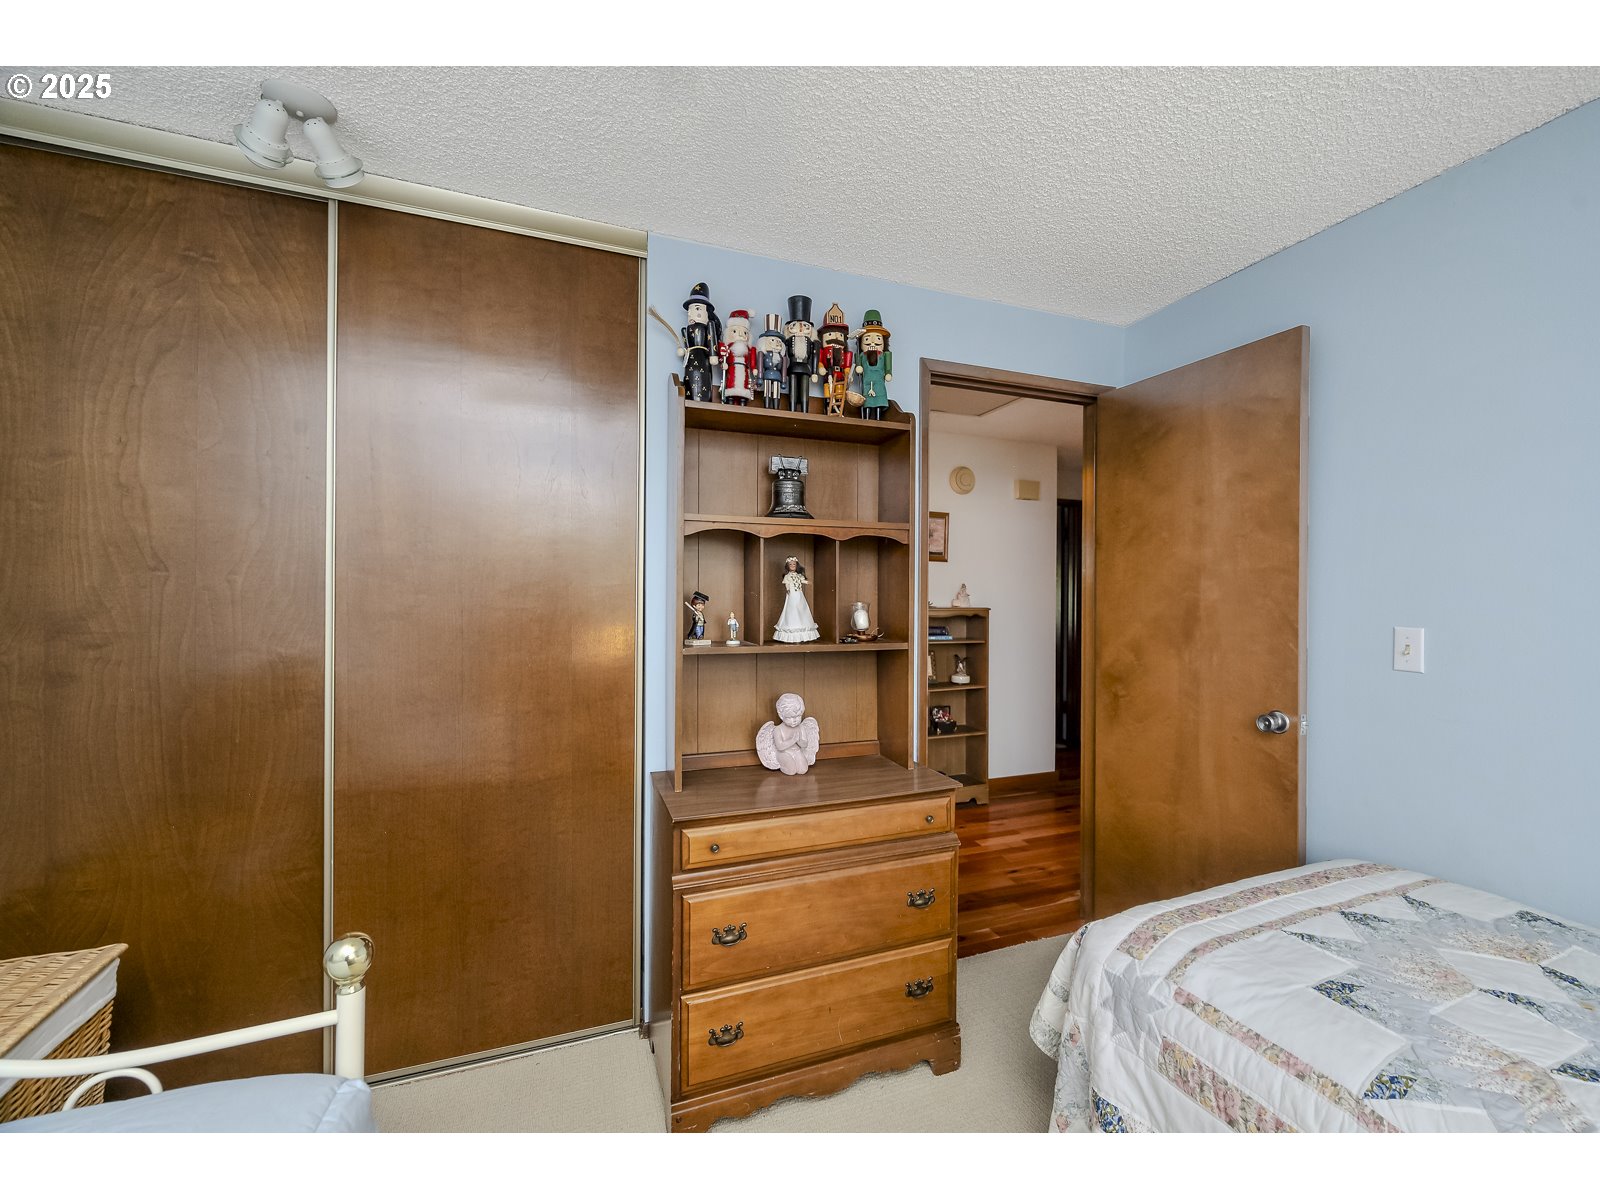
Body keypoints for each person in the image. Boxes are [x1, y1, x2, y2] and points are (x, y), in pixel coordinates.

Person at [773, 557, 818, 643]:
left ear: (796, 565)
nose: (792, 566)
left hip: (799, 594)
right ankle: (792, 631)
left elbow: (802, 581)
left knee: (802, 609)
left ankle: (802, 632)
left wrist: (808, 582)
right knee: (792, 610)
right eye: (790, 564)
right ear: (788, 566)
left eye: (794, 564)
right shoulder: (787, 576)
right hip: (792, 594)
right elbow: (787, 584)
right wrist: (788, 589)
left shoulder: (799, 575)